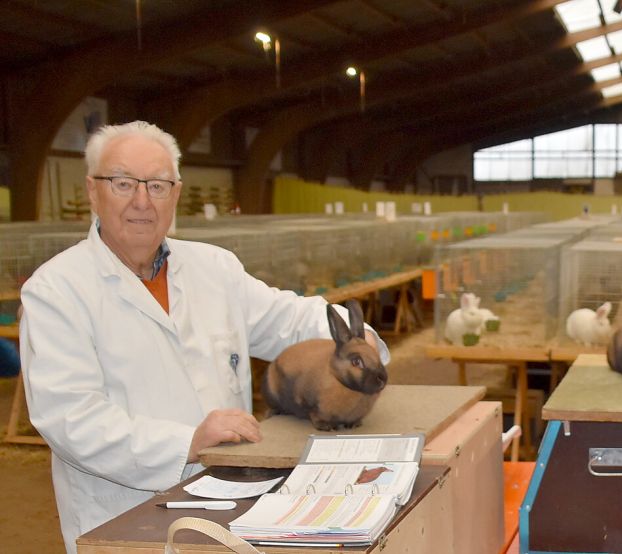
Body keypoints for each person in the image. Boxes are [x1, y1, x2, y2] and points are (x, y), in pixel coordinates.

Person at [19, 121, 390, 553]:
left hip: (233, 502)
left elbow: (288, 320)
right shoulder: (57, 290)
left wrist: (364, 347)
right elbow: (71, 418)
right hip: (124, 518)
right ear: (92, 191)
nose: (142, 201)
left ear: (175, 193)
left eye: (157, 185)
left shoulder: (215, 268)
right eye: (123, 183)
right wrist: (185, 443)